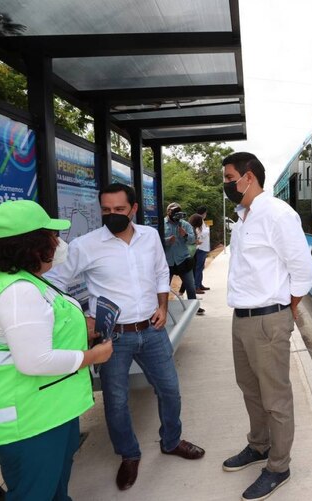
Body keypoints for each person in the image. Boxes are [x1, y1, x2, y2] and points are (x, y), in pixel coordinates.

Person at [45, 183, 204, 492]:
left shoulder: (150, 237)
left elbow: (160, 272)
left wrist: (162, 305)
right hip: (113, 338)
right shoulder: (85, 245)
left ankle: (171, 441)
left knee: (170, 389)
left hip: (152, 329)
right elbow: (52, 283)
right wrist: (82, 317)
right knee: (116, 402)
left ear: (133, 209)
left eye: (119, 209)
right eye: (106, 210)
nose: (112, 215)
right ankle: (129, 455)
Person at [0, 200, 113, 501]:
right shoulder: (18, 292)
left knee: (53, 491)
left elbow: (40, 330)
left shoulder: (18, 282)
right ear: (32, 245)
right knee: (35, 493)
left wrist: (83, 328)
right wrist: (92, 357)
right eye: (51, 237)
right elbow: (34, 360)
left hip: (47, 411)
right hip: (29, 422)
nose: (58, 244)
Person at [220, 152, 312, 501]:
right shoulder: (243, 217)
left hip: (267, 319)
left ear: (248, 177)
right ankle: (259, 446)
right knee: (249, 389)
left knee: (275, 398)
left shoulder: (276, 213)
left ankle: (278, 466)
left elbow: (304, 270)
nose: (227, 183)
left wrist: (285, 310)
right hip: (242, 318)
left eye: (229, 177)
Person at [164, 202, 204, 315]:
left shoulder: (185, 225)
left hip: (183, 260)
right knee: (164, 287)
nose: (177, 216)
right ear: (169, 212)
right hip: (168, 262)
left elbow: (193, 240)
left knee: (190, 285)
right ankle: (163, 308)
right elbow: (156, 240)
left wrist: (185, 235)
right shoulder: (162, 224)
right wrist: (167, 241)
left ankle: (194, 306)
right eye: (174, 213)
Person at [193, 205, 211, 292]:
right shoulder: (199, 221)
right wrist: (207, 229)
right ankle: (196, 286)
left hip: (203, 247)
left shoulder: (202, 221)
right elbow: (200, 233)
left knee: (201, 267)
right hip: (200, 247)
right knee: (198, 267)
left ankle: (199, 284)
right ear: (204, 213)